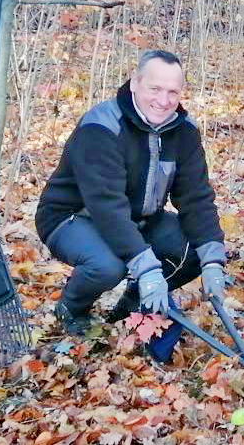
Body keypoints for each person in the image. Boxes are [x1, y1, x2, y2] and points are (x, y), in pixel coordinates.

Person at [35, 50, 227, 363]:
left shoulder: (184, 130)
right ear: (135, 83)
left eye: (172, 92)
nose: (164, 101)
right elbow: (107, 208)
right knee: (109, 265)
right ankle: (73, 308)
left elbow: (196, 197)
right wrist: (147, 268)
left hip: (139, 219)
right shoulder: (102, 126)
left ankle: (133, 305)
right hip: (73, 218)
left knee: (193, 250)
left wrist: (213, 259)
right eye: (155, 89)